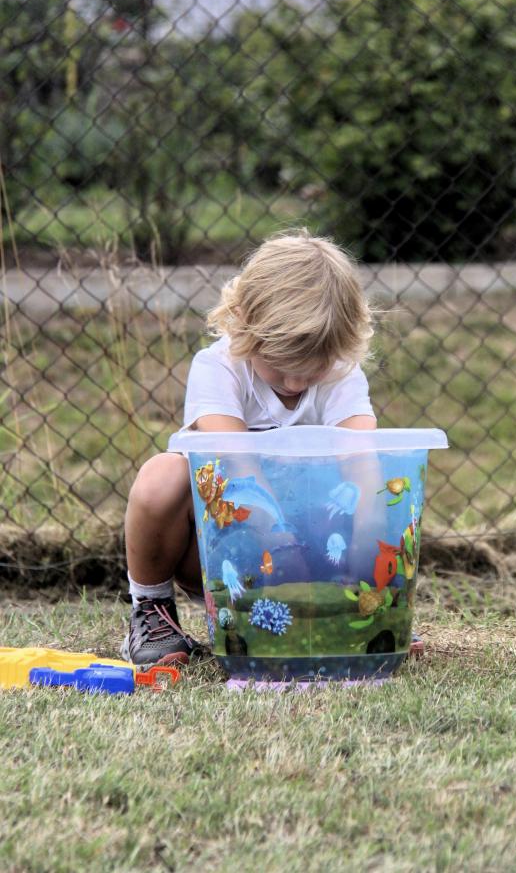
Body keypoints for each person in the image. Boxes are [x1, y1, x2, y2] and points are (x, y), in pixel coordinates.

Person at [121, 230, 377, 666]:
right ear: (243, 324)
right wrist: (282, 545)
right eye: (279, 366)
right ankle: (152, 609)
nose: (295, 383)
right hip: (220, 550)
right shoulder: (219, 368)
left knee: (358, 484)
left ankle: (346, 608)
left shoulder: (341, 373)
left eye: (311, 368)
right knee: (161, 477)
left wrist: (367, 572)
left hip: (318, 555)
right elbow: (237, 464)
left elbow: (363, 464)